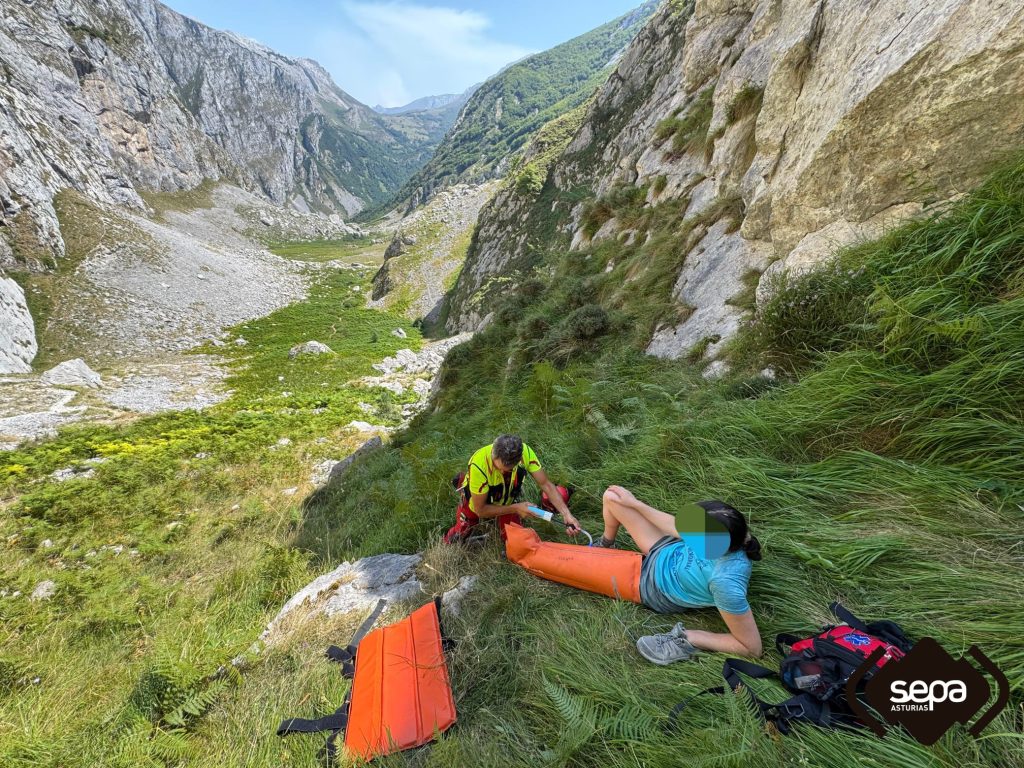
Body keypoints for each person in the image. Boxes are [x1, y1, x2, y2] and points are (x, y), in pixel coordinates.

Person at [592, 485, 763, 663]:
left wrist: (692, 637)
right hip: (665, 549)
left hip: (655, 588)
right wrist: (635, 503)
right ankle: (605, 543)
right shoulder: (736, 533)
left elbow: (751, 648)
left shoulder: (725, 582)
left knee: (577, 568)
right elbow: (677, 528)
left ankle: (685, 639)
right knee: (612, 497)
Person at [443, 434, 580, 544]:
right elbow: (481, 510)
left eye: (505, 470)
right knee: (460, 533)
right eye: (497, 467)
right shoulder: (479, 466)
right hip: (476, 505)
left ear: (518, 461)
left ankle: (495, 534)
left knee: (515, 541)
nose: (500, 472)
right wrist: (516, 508)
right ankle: (447, 541)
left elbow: (546, 485)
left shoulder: (524, 452)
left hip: (506, 501)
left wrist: (566, 514)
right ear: (493, 452)